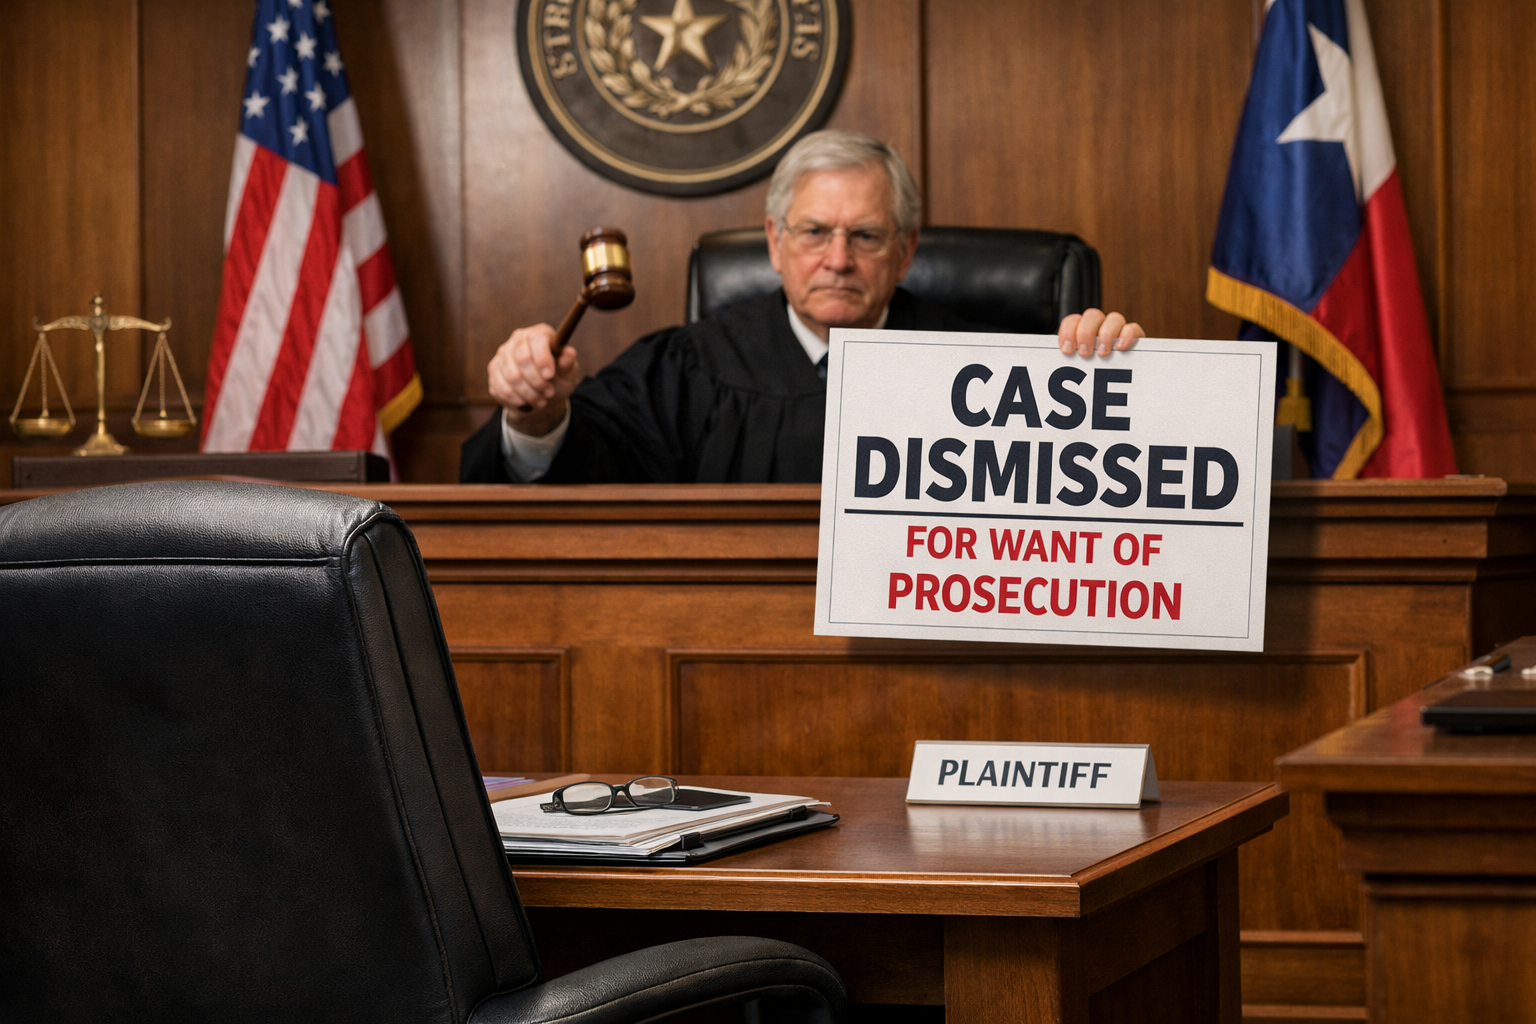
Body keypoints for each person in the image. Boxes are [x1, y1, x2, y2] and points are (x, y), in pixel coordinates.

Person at [459, 130, 1143, 483]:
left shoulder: (984, 363)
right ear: (775, 242)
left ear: (905, 251)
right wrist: (537, 416)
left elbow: (1097, 468)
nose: (838, 259)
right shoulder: (687, 370)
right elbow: (580, 474)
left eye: (866, 236)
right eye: (815, 232)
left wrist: (1102, 369)